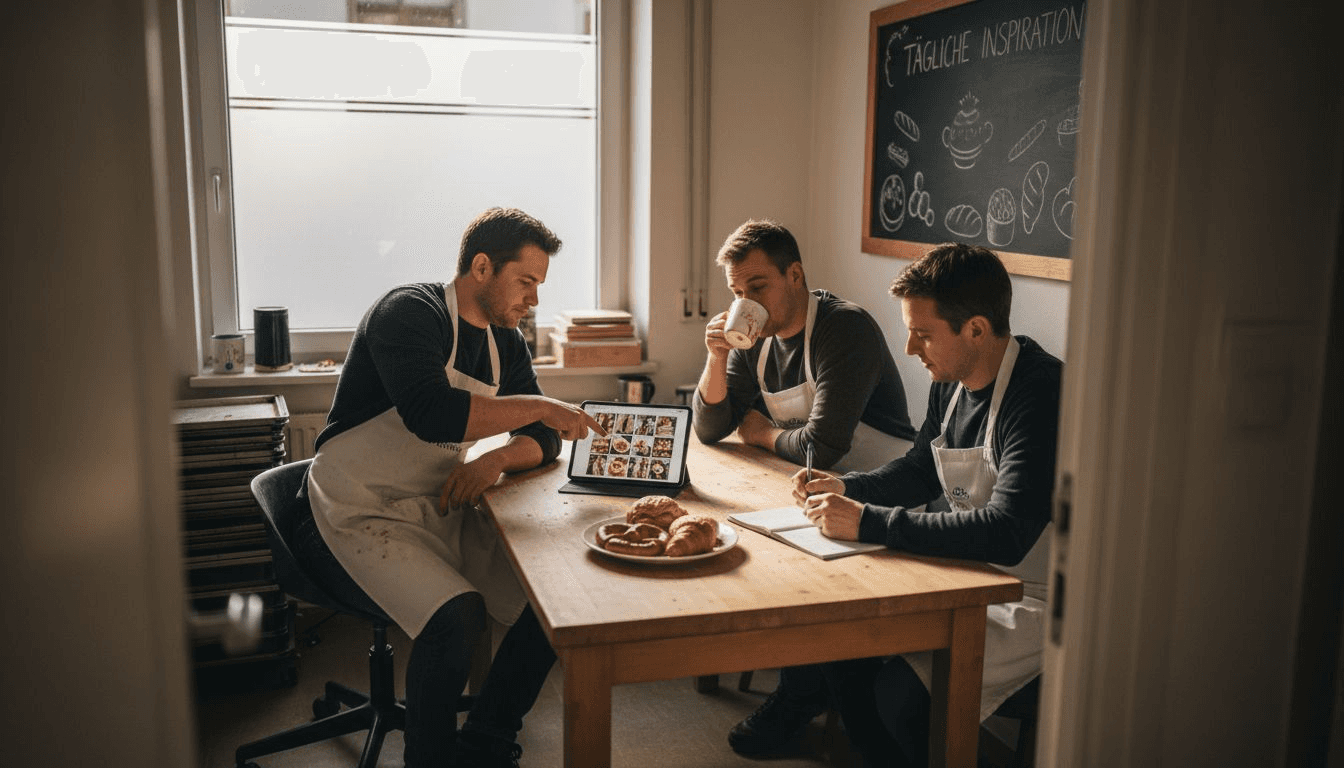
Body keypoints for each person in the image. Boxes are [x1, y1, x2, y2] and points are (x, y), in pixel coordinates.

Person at [292, 207, 605, 768]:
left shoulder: (504, 342)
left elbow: (545, 438)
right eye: (526, 282)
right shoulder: (409, 312)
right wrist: (540, 406)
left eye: (539, 286)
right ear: (482, 267)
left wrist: (497, 462)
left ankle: (486, 740)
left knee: (556, 601)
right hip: (355, 506)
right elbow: (431, 414)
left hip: (438, 501)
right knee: (455, 620)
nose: (533, 301)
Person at [734, 243, 1060, 766]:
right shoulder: (950, 383)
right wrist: (847, 489)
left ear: (976, 329)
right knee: (840, 648)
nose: (909, 348)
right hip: (970, 572)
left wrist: (869, 521)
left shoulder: (1040, 393)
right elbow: (918, 470)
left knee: (898, 696)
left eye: (924, 333)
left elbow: (1007, 531)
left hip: (1038, 600)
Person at [693, 219, 917, 474]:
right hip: (821, 485)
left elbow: (820, 448)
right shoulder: (755, 335)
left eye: (758, 287)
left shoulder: (845, 328)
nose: (748, 303)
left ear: (795, 275)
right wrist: (717, 356)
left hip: (887, 489)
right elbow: (709, 429)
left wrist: (762, 433)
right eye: (738, 293)